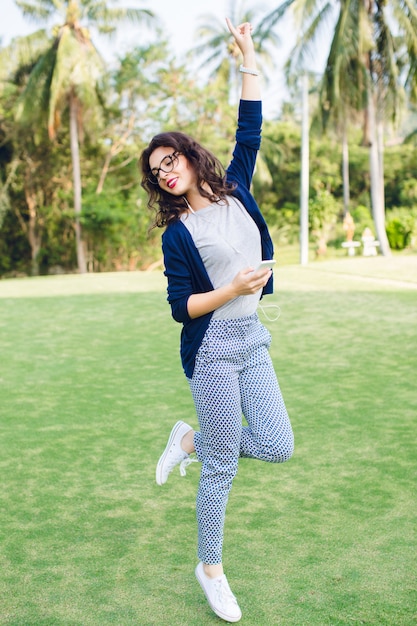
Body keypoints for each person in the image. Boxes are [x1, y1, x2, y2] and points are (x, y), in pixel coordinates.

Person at [139, 18, 294, 623]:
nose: (167, 173)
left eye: (171, 160)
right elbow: (182, 307)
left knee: (277, 445)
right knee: (225, 460)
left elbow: (249, 123)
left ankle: (188, 441)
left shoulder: (235, 190)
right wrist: (229, 287)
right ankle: (210, 568)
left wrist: (249, 55)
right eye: (158, 173)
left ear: (189, 156)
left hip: (252, 336)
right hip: (211, 346)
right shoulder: (179, 234)